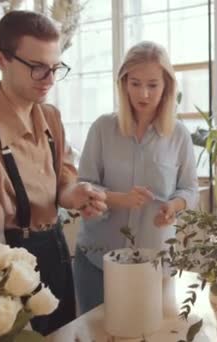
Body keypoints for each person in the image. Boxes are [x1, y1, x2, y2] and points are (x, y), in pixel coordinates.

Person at [0, 11, 107, 335]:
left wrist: (74, 194)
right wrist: (6, 297)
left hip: (56, 250)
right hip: (7, 259)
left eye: (55, 68)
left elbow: (63, 179)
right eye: (37, 67)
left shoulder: (50, 117)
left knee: (64, 333)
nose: (48, 78)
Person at [73, 41, 199, 314]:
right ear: (123, 84)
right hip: (97, 261)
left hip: (153, 263)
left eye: (153, 85)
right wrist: (119, 199)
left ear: (166, 85)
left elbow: (189, 188)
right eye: (135, 83)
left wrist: (174, 207)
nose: (143, 93)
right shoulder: (103, 128)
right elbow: (83, 187)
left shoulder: (178, 135)